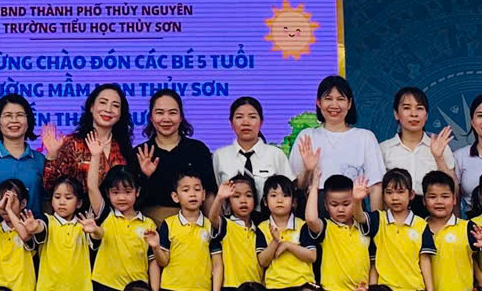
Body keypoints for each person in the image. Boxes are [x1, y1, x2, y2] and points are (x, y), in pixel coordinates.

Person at [295, 74, 384, 207]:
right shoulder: (307, 136)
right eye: (328, 98)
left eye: (340, 99)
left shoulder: (365, 137)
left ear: (349, 103)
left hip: (354, 210)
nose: (334, 105)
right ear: (318, 103)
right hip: (315, 210)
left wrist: (375, 219)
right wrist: (308, 170)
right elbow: (297, 188)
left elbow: (375, 186)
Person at [131, 89, 215, 217]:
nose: (166, 118)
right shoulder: (141, 152)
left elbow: (208, 194)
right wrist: (145, 176)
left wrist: (214, 224)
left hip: (193, 222)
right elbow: (130, 200)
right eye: (160, 113)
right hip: (149, 224)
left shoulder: (198, 150)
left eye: (172, 113)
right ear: (151, 118)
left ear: (181, 117)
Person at [41, 83, 134, 199]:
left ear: (120, 113)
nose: (108, 109)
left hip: (116, 209)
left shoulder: (123, 147)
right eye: (103, 102)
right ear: (91, 107)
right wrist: (52, 155)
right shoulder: (73, 143)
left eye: (115, 105)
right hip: (80, 209)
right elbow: (51, 186)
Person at [0, 92, 48, 214]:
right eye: (8, 115)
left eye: (20, 115)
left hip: (33, 225)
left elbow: (48, 202)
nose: (14, 120)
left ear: (28, 122)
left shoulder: (40, 160)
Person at [214, 95, 294, 196]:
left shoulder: (276, 155)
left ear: (261, 122)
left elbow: (289, 192)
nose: (245, 122)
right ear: (231, 123)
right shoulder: (220, 156)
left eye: (252, 117)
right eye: (239, 117)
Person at [379, 85, 451, 183]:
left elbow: (454, 189)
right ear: (396, 114)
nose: (414, 114)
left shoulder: (441, 147)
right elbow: (377, 188)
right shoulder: (383, 149)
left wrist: (439, 158)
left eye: (419, 108)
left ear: (426, 115)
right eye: (407, 108)